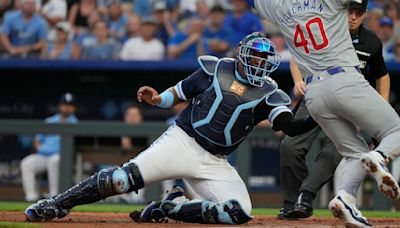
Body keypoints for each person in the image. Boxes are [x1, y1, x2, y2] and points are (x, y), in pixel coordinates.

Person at [25, 32, 318, 225]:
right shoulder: (215, 68)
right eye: (255, 57)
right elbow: (179, 93)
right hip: (182, 141)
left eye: (263, 60)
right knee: (121, 180)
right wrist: (157, 99)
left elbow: (288, 126)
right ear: (242, 54)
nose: (259, 64)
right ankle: (57, 203)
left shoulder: (269, 92)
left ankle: (168, 209)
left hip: (215, 161)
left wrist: (316, 117)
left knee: (238, 212)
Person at [252, 0, 400, 227]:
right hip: (344, 78)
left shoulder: (279, 7)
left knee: (353, 152)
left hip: (314, 92)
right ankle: (380, 157)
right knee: (396, 130)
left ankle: (345, 199)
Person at [20, 93, 78, 202]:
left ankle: (54, 196)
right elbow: (37, 141)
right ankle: (31, 197)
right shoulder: (50, 121)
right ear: (60, 106)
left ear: (74, 108)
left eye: (70, 105)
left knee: (54, 160)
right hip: (43, 155)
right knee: (26, 163)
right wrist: (41, 148)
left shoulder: (75, 123)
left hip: (60, 156)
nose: (67, 108)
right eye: (64, 104)